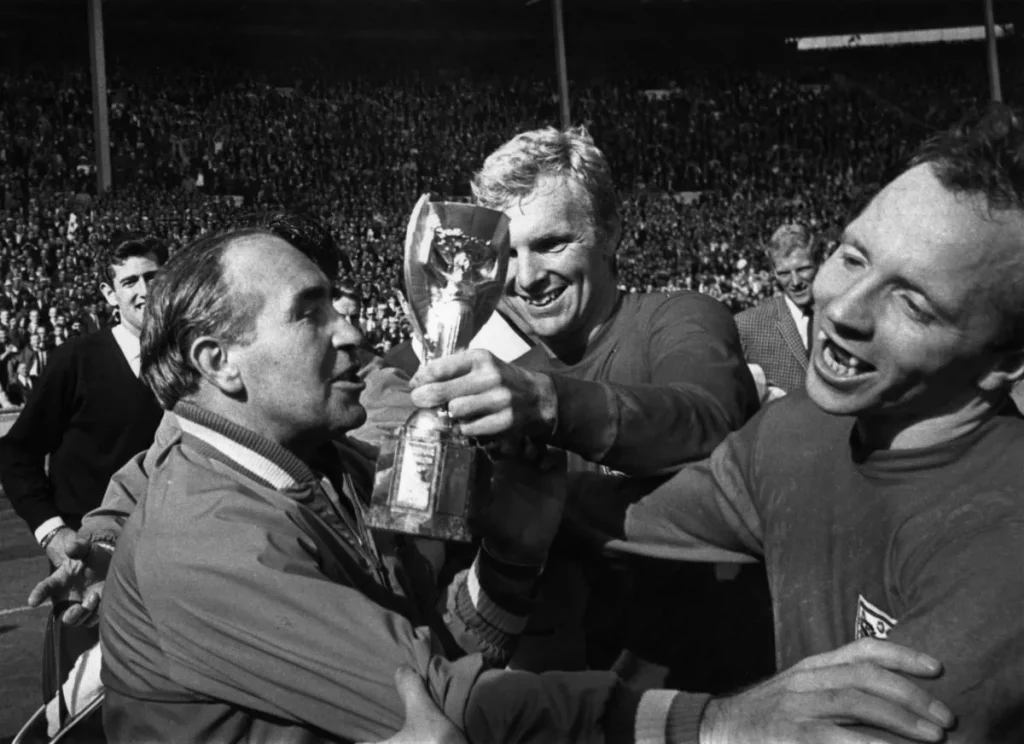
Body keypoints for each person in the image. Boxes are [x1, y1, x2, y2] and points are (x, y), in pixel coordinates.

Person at [96, 225, 953, 744]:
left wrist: (511, 554)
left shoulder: (329, 467)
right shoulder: (207, 538)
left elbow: (437, 647)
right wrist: (723, 724)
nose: (355, 332)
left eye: (344, 304)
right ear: (221, 364)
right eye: (312, 312)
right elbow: (444, 704)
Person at [570, 104, 1024, 743]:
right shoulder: (798, 427)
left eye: (914, 304)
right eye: (852, 255)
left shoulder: (1003, 548)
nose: (842, 309)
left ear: (1006, 363)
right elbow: (627, 515)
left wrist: (719, 725)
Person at [407, 126, 768, 681]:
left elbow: (708, 418)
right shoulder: (503, 383)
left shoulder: (678, 318)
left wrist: (551, 407)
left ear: (611, 232)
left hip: (707, 692)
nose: (527, 279)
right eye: (509, 253)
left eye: (552, 244)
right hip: (569, 708)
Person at [0, 232, 167, 689]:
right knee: (85, 711)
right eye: (129, 280)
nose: (142, 290)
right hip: (90, 564)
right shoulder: (74, 360)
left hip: (171, 563)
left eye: (152, 276)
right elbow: (16, 452)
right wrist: (53, 532)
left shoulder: (189, 362)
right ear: (109, 294)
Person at [735, 223, 823, 401]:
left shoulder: (845, 312)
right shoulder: (747, 325)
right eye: (784, 273)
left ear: (820, 263)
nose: (795, 281)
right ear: (773, 273)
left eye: (803, 269)